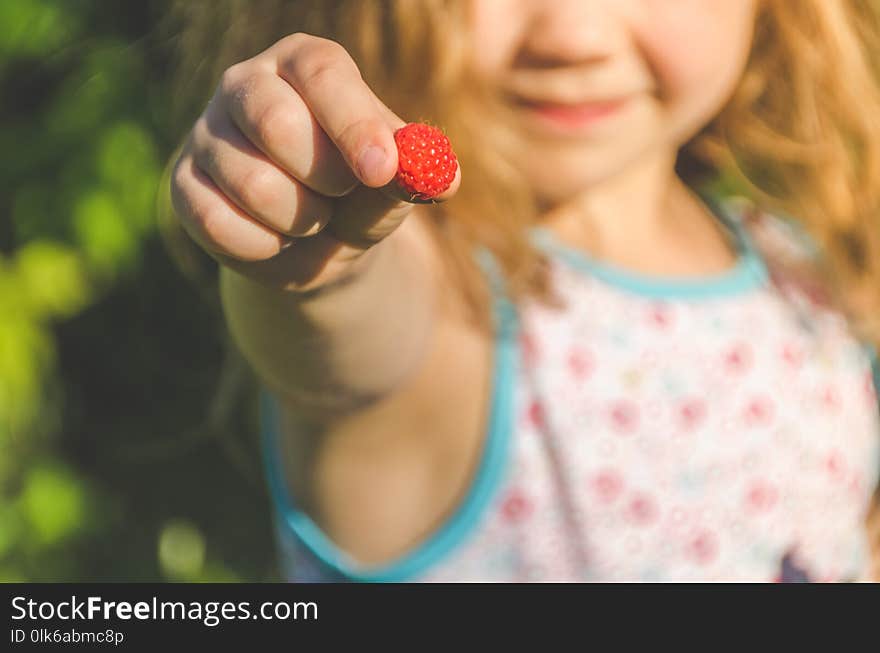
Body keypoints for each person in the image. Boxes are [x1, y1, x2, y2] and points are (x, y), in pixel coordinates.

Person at [167, 0, 880, 581]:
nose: (573, 34)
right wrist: (317, 252)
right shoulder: (449, 297)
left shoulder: (798, 268)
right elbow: (347, 340)